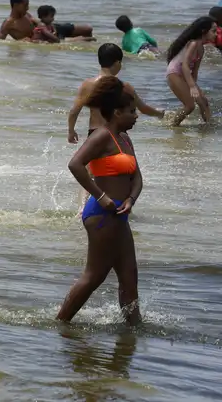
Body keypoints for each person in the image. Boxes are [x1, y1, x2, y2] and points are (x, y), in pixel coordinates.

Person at [56, 77, 142, 325]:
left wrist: (131, 199)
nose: (137, 116)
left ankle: (133, 331)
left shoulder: (125, 139)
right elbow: (75, 164)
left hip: (119, 215)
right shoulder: (102, 136)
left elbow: (137, 178)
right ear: (117, 112)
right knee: (94, 275)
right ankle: (61, 323)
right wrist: (101, 196)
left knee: (129, 276)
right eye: (132, 111)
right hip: (102, 215)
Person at [68, 43, 163, 144]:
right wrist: (159, 113)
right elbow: (143, 108)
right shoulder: (124, 86)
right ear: (118, 62)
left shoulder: (87, 85)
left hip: (95, 134)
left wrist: (71, 131)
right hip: (116, 135)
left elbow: (74, 111)